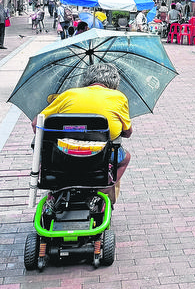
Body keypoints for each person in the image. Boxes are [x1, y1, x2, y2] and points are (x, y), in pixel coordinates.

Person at [33, 63, 132, 204]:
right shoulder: (118, 97)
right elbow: (127, 133)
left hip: (62, 156)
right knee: (125, 158)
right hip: (99, 157)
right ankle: (100, 192)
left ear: (86, 79)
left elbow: (36, 123)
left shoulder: (68, 94)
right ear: (114, 81)